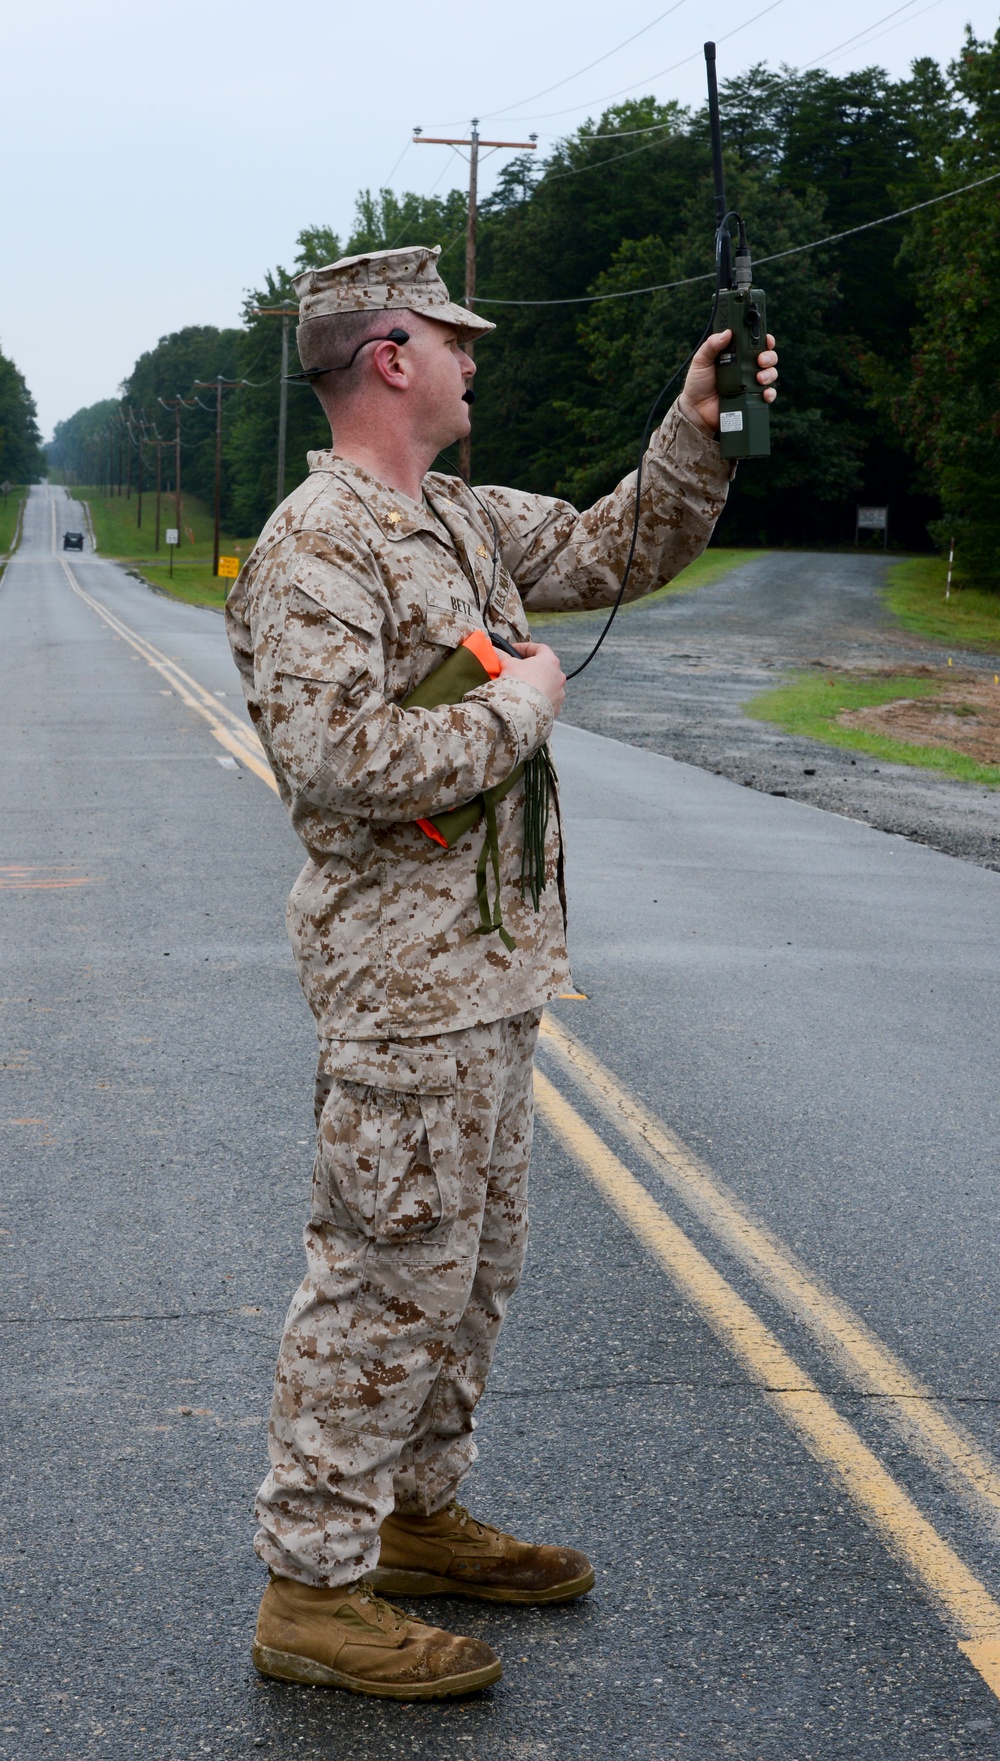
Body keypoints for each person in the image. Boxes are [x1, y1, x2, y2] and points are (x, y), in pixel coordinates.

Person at [226, 243, 778, 1701]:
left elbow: (615, 548)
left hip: (489, 973)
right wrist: (526, 706)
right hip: (402, 989)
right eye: (457, 340)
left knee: (468, 1274)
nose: (479, 359)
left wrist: (696, 422)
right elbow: (342, 760)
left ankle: (412, 1517)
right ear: (392, 355)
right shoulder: (318, 545)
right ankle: (314, 1588)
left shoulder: (455, 519)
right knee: (383, 1276)